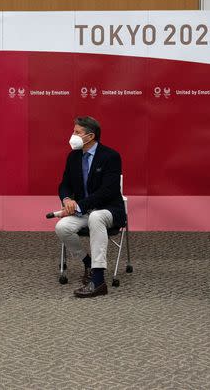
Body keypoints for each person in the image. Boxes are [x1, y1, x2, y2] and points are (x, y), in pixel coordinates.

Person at [55, 116, 127, 298]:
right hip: (84, 211)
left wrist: (78, 205)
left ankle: (98, 280)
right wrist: (66, 200)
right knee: (62, 227)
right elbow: (65, 185)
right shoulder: (73, 157)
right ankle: (87, 262)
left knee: (96, 217)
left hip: (109, 210)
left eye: (77, 132)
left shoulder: (110, 156)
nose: (72, 135)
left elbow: (108, 191)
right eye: (73, 131)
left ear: (90, 136)